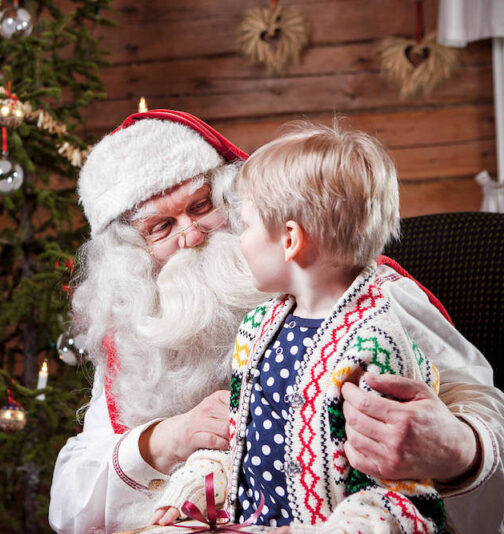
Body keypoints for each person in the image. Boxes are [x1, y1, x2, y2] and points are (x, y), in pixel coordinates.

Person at [48, 109, 504, 533]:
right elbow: (69, 507)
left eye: (202, 205)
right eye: (161, 228)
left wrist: (457, 449)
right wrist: (167, 439)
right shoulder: (137, 338)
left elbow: (482, 406)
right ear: (130, 257)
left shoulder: (368, 296)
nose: (190, 235)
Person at [150, 121, 445, 533]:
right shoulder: (256, 329)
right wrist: (197, 488)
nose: (239, 241)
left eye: (249, 226)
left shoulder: (376, 344)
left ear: (290, 240)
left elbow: (400, 495)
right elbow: (241, 443)